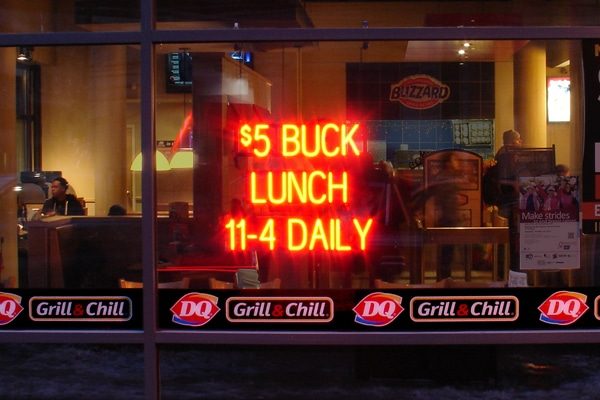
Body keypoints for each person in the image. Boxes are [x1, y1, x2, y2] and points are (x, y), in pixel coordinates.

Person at [494, 129, 522, 273]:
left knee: (507, 236)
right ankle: (507, 268)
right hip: (508, 201)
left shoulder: (502, 154)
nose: (520, 142)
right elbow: (502, 180)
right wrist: (515, 185)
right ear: (512, 141)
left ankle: (504, 268)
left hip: (505, 201)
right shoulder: (505, 155)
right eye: (518, 139)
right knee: (509, 236)